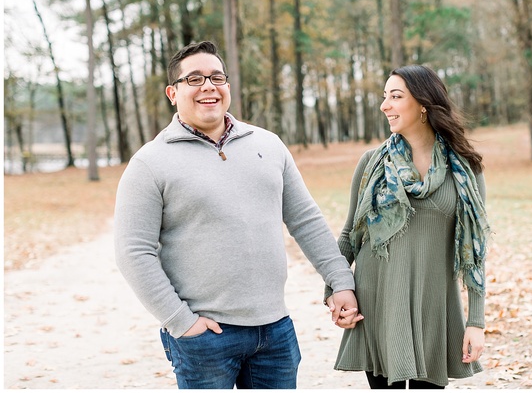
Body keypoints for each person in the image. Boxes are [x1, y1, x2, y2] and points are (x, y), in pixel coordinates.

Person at [114, 40, 361, 389]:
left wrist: (340, 281)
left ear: (227, 87)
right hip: (204, 337)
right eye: (194, 79)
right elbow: (133, 252)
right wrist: (181, 321)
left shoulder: (268, 145)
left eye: (217, 77)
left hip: (275, 331)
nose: (208, 87)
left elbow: (306, 220)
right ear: (173, 92)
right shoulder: (149, 163)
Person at [325, 64, 491, 389]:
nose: (385, 105)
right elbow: (349, 235)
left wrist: (476, 322)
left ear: (424, 104)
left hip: (434, 306)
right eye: (384, 97)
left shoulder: (465, 168)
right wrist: (333, 291)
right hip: (378, 304)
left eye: (395, 96)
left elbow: (476, 247)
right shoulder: (372, 163)